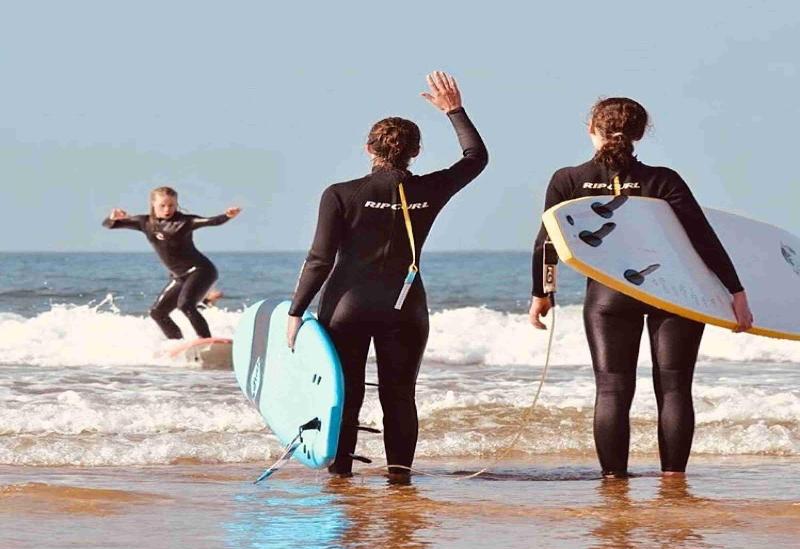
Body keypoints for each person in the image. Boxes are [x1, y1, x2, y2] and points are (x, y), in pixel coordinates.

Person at [529, 97, 754, 478]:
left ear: (592, 128)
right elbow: (702, 237)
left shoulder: (568, 179)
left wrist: (543, 293)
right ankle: (673, 480)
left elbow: (546, 243)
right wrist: (736, 291)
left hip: (609, 296)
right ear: (640, 133)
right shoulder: (663, 180)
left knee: (612, 389)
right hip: (673, 293)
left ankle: (614, 482)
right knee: (675, 388)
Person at [287, 71, 488, 483]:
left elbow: (319, 260)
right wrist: (454, 111)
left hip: (346, 307)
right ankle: (399, 479)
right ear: (416, 152)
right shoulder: (431, 189)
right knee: (399, 396)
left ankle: (341, 477)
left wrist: (295, 312)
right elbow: (476, 158)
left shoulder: (340, 194)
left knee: (345, 394)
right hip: (405, 307)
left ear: (368, 149)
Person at [103, 186, 241, 339]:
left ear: (176, 204)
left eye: (171, 205)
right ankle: (178, 343)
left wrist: (227, 216)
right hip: (179, 276)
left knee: (186, 305)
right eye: (162, 205)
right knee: (157, 312)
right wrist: (112, 217)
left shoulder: (185, 221)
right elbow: (109, 225)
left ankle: (207, 341)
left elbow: (211, 221)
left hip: (201, 270)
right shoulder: (144, 222)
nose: (167, 209)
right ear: (153, 204)